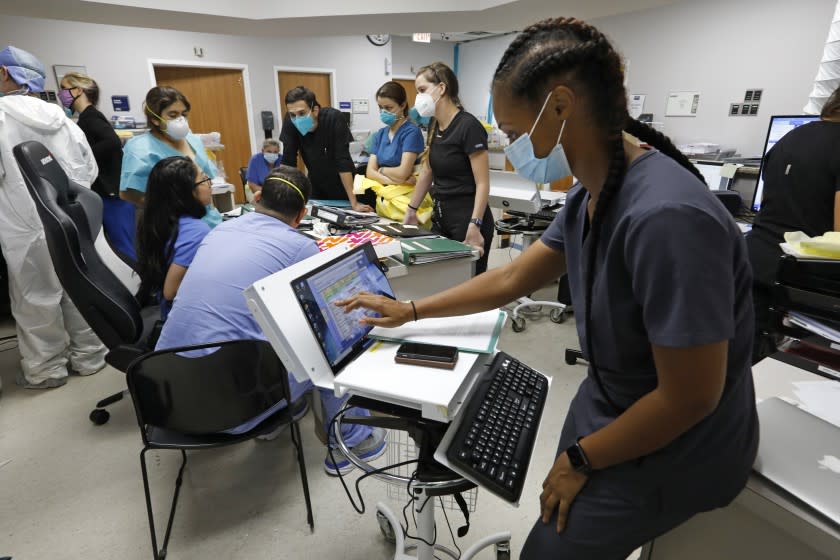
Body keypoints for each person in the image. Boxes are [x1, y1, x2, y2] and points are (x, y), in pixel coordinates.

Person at [338, 18, 758, 559]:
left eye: (512, 133)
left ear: (560, 107)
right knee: (554, 496)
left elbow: (690, 396)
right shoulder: (592, 195)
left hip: (680, 442)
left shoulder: (666, 218)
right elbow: (513, 276)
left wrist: (581, 459)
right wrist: (410, 309)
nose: (510, 148)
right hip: (615, 398)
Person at [155, 165, 386, 474]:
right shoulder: (302, 246)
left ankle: (277, 416)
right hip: (236, 412)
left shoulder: (220, 230)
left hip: (166, 397)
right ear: (301, 215)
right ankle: (351, 442)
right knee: (334, 341)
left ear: (257, 196)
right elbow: (323, 319)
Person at [0, 46, 106, 389]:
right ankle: (90, 356)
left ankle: (47, 370)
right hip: (72, 219)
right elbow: (89, 170)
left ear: (5, 73)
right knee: (79, 285)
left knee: (35, 297)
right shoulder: (62, 119)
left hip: (24, 226)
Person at [746, 90, 840, 363]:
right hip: (795, 282)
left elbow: (768, 206)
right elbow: (837, 238)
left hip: (750, 260)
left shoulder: (788, 139)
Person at [403, 62, 494, 274]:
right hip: (442, 216)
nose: (418, 98)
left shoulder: (468, 126)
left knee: (469, 290)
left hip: (467, 218)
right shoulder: (435, 125)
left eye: (422, 90)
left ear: (441, 88)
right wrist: (411, 209)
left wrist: (475, 224)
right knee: (441, 283)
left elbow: (483, 183)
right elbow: (427, 170)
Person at [120, 86, 222, 246]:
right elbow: (128, 194)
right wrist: (172, 211)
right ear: (154, 118)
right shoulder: (140, 148)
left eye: (184, 114)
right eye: (173, 115)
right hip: (172, 227)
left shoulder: (192, 140)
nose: (180, 120)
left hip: (208, 220)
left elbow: (205, 180)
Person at [59, 71, 137, 261]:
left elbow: (112, 142)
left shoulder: (90, 117)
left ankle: (141, 288)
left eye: (64, 89)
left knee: (123, 247)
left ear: (78, 90)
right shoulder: (86, 117)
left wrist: (82, 157)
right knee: (120, 245)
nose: (61, 94)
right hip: (110, 193)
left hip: (113, 195)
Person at [136, 157, 212, 321]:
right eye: (204, 179)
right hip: (190, 321)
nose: (209, 184)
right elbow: (171, 291)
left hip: (169, 315)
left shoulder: (161, 221)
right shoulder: (196, 230)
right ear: (189, 192)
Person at [279, 86, 373, 211]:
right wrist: (281, 200)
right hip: (317, 183)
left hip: (345, 185)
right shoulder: (290, 121)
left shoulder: (334, 118)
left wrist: (354, 203)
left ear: (315, 110)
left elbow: (342, 160)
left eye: (302, 113)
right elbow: (288, 162)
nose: (297, 119)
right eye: (292, 115)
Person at [365, 81, 425, 187]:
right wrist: (394, 181)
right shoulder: (380, 134)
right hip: (384, 195)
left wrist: (381, 169)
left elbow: (403, 173)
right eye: (380, 108)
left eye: (388, 108)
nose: (383, 112)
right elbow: (369, 172)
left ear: (402, 105)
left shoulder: (411, 132)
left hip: (406, 197)